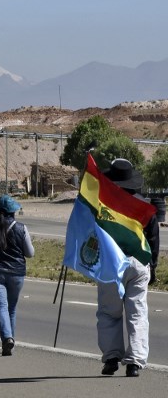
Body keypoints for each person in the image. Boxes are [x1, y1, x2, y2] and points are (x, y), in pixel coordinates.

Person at [97, 158, 160, 377]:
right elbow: (153, 239)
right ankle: (134, 362)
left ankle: (112, 358)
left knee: (109, 313)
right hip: (139, 263)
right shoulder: (145, 206)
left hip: (112, 264)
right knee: (137, 313)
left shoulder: (103, 205)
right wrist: (153, 266)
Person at [0, 194, 34, 356]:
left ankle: (7, 338)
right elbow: (30, 253)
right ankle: (9, 342)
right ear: (13, 212)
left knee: (1, 307)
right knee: (11, 308)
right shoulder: (21, 228)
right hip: (17, 274)